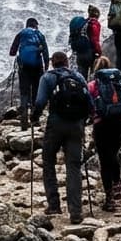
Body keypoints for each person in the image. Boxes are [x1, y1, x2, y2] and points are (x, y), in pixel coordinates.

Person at [31, 52, 90, 222]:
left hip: (56, 124)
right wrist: (83, 121)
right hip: (77, 125)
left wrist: (34, 117)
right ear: (66, 62)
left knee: (48, 159)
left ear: (52, 63)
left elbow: (40, 101)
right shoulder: (78, 76)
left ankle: (54, 205)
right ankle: (76, 212)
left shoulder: (48, 77)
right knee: (74, 166)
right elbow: (89, 101)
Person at [87, 57, 121, 211]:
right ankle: (117, 186)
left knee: (105, 159)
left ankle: (109, 198)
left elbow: (88, 104)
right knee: (113, 154)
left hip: (101, 124)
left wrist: (89, 120)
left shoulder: (93, 85)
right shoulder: (120, 83)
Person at [10, 17, 49, 131]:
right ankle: (35, 119)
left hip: (24, 68)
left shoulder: (21, 34)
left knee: (24, 92)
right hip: (37, 67)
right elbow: (46, 51)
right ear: (36, 25)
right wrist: (46, 65)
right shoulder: (39, 34)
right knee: (36, 92)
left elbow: (12, 52)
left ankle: (24, 121)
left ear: (26, 25)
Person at [71, 5, 103, 78]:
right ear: (97, 15)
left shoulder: (84, 23)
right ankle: (91, 88)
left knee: (82, 75)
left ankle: (82, 88)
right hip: (90, 53)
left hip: (80, 52)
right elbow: (95, 40)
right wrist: (99, 51)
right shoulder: (94, 23)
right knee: (93, 76)